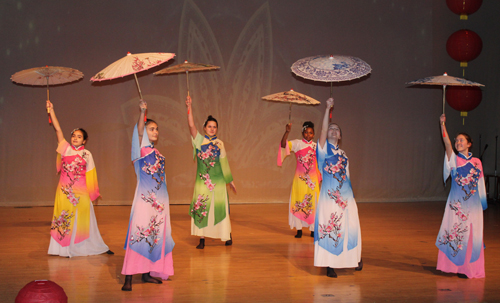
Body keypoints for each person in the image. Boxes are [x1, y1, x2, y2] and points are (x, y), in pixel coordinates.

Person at [46, 100, 112, 257]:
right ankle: (61, 249)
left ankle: (85, 247)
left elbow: (91, 173)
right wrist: (51, 111)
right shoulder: (65, 148)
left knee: (84, 219)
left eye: (79, 137)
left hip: (81, 192)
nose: (75, 138)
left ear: (84, 140)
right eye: (73, 136)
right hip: (64, 191)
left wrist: (94, 192)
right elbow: (57, 129)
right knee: (63, 217)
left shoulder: (87, 154)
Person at [121, 100, 175, 291]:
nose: (155, 132)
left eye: (157, 129)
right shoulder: (140, 151)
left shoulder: (156, 152)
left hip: (159, 203)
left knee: (154, 235)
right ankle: (128, 278)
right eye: (152, 129)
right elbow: (139, 132)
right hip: (144, 201)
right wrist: (142, 112)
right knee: (138, 235)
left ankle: (146, 273)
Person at [314, 98, 362, 278]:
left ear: (340, 136)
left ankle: (353, 258)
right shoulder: (323, 150)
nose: (333, 131)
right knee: (331, 226)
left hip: (347, 197)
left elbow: (347, 178)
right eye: (331, 129)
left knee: (350, 227)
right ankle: (329, 264)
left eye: (337, 130)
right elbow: (323, 129)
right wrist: (327, 108)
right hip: (329, 198)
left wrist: (352, 198)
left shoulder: (344, 155)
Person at [436, 114, 487, 279]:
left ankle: (468, 269)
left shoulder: (477, 162)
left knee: (472, 235)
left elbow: (480, 185)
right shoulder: (454, 160)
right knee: (456, 233)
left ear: (469, 144)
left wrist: (482, 205)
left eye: (461, 140)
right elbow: (446, 143)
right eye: (457, 140)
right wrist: (442, 125)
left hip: (474, 206)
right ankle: (452, 266)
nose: (458, 142)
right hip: (457, 206)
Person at [186, 96, 236, 249]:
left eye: (215, 127)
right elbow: (191, 125)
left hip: (219, 182)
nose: (212, 129)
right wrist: (189, 106)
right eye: (209, 126)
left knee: (220, 208)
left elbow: (224, 163)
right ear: (204, 127)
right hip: (203, 182)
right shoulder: (199, 140)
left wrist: (230, 181)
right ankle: (202, 240)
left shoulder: (219, 143)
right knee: (202, 208)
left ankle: (226, 235)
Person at [278, 122, 321, 238]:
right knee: (298, 202)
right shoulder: (297, 143)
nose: (308, 135)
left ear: (313, 134)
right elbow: (283, 145)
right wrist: (287, 132)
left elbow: (322, 162)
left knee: (313, 203)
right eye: (306, 132)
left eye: (311, 133)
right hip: (300, 179)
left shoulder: (316, 146)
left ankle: (313, 230)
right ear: (303, 132)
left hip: (312, 181)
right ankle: (299, 229)